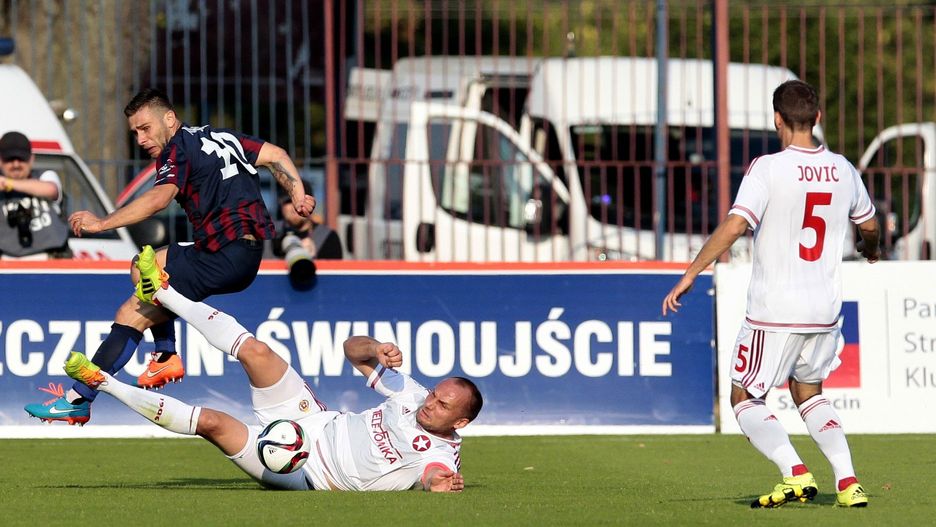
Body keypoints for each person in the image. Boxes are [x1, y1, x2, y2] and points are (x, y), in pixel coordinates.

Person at [63, 245, 481, 492]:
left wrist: (439, 484)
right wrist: (376, 347)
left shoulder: (443, 453)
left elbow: (433, 476)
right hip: (310, 418)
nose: (429, 403)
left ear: (460, 420)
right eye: (433, 394)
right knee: (257, 351)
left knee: (211, 422)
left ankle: (102, 381)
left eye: (441, 404)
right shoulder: (410, 394)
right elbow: (352, 350)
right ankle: (165, 292)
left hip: (303, 470)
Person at [25, 88, 315, 425]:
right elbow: (275, 154)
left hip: (223, 253)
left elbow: (159, 198)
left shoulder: (177, 150)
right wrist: (298, 193)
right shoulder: (217, 136)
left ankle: (163, 354)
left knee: (139, 272)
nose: (140, 138)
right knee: (137, 298)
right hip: (242, 253)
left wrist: (102, 223)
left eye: (145, 128)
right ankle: (82, 396)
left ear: (169, 119)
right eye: (134, 132)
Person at [661, 80, 879, 509]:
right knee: (810, 393)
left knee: (744, 395)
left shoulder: (767, 168)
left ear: (776, 119)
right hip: (824, 311)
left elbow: (737, 224)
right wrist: (870, 252)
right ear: (817, 118)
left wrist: (691, 272)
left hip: (774, 310)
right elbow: (869, 227)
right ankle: (849, 482)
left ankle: (795, 474)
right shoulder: (843, 168)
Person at [0, 131, 71, 259]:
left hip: (50, 259)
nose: (16, 164)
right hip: (6, 263)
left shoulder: (45, 175)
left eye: (21, 159)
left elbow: (50, 190)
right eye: (9, 159)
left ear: (31, 159)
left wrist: (8, 183)